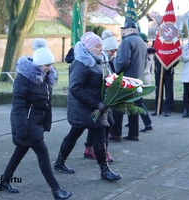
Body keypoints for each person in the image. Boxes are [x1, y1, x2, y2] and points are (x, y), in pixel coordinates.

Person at [0, 38, 73, 200]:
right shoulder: (23, 79)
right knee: (43, 153)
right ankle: (56, 190)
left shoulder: (45, 78)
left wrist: (46, 122)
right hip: (26, 123)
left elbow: (46, 103)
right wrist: (21, 129)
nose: (49, 68)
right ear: (38, 64)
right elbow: (18, 107)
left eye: (51, 64)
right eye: (46, 65)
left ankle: (4, 180)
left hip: (36, 122)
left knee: (20, 151)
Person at [53, 32, 122, 182]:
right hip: (85, 107)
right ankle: (104, 170)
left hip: (94, 107)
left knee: (74, 134)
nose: (100, 49)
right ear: (89, 48)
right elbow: (75, 88)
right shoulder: (81, 63)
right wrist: (96, 103)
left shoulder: (98, 60)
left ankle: (59, 162)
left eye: (101, 46)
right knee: (97, 137)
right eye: (97, 46)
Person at [108, 20, 147, 142]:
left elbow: (122, 61)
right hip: (137, 78)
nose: (123, 31)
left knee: (117, 106)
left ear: (130, 30)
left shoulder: (127, 41)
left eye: (124, 29)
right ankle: (134, 134)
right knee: (133, 106)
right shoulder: (141, 41)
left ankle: (116, 133)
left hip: (125, 79)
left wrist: (115, 70)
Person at [83, 30, 118, 162]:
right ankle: (100, 155)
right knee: (76, 132)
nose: (111, 53)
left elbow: (107, 76)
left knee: (107, 124)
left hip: (101, 101)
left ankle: (95, 152)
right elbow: (78, 87)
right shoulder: (85, 63)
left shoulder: (103, 60)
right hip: (92, 101)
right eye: (110, 51)